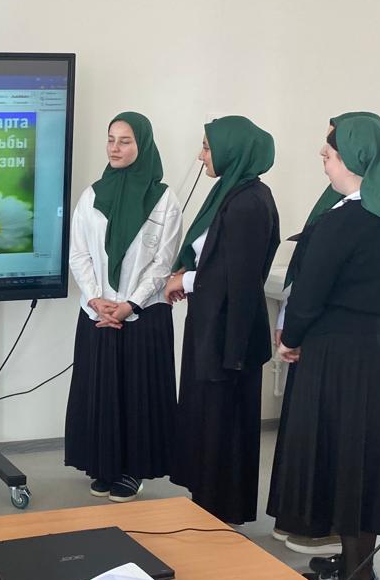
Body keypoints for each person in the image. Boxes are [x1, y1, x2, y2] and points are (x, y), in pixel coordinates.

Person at [267, 114, 380, 580]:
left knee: (345, 456)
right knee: (367, 456)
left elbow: (310, 294)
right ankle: (355, 562)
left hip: (342, 357)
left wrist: (290, 339)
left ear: (356, 162)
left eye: (330, 153)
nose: (323, 157)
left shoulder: (342, 222)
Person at [165, 115, 280, 525]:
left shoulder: (249, 202)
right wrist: (189, 275)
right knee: (206, 416)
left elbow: (238, 277)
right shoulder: (230, 192)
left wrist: (185, 280)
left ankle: (220, 511)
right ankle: (206, 504)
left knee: (222, 419)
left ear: (232, 150)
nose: (201, 157)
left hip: (230, 331)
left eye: (207, 147)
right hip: (212, 322)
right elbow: (214, 257)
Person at [65, 111, 182, 500]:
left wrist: (129, 303)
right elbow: (79, 252)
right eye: (111, 139)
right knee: (100, 392)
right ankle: (103, 464)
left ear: (142, 145)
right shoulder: (92, 194)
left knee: (137, 395)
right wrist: (96, 299)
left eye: (125, 141)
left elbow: (163, 262)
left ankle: (133, 470)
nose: (114, 148)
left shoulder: (163, 199)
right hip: (98, 313)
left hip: (141, 314)